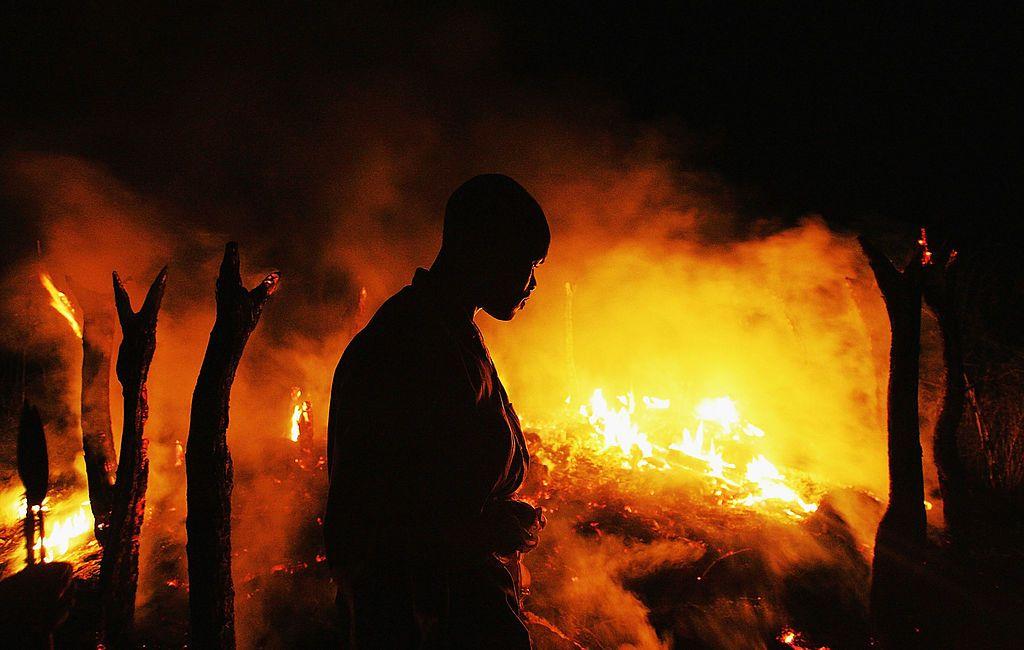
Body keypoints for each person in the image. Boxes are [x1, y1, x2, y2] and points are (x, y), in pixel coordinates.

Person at [324, 174, 549, 648]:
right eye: (527, 263)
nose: (533, 282)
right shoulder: (408, 345)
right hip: (419, 622)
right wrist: (485, 531)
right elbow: (374, 523)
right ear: (485, 250)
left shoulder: (450, 332)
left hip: (456, 608)